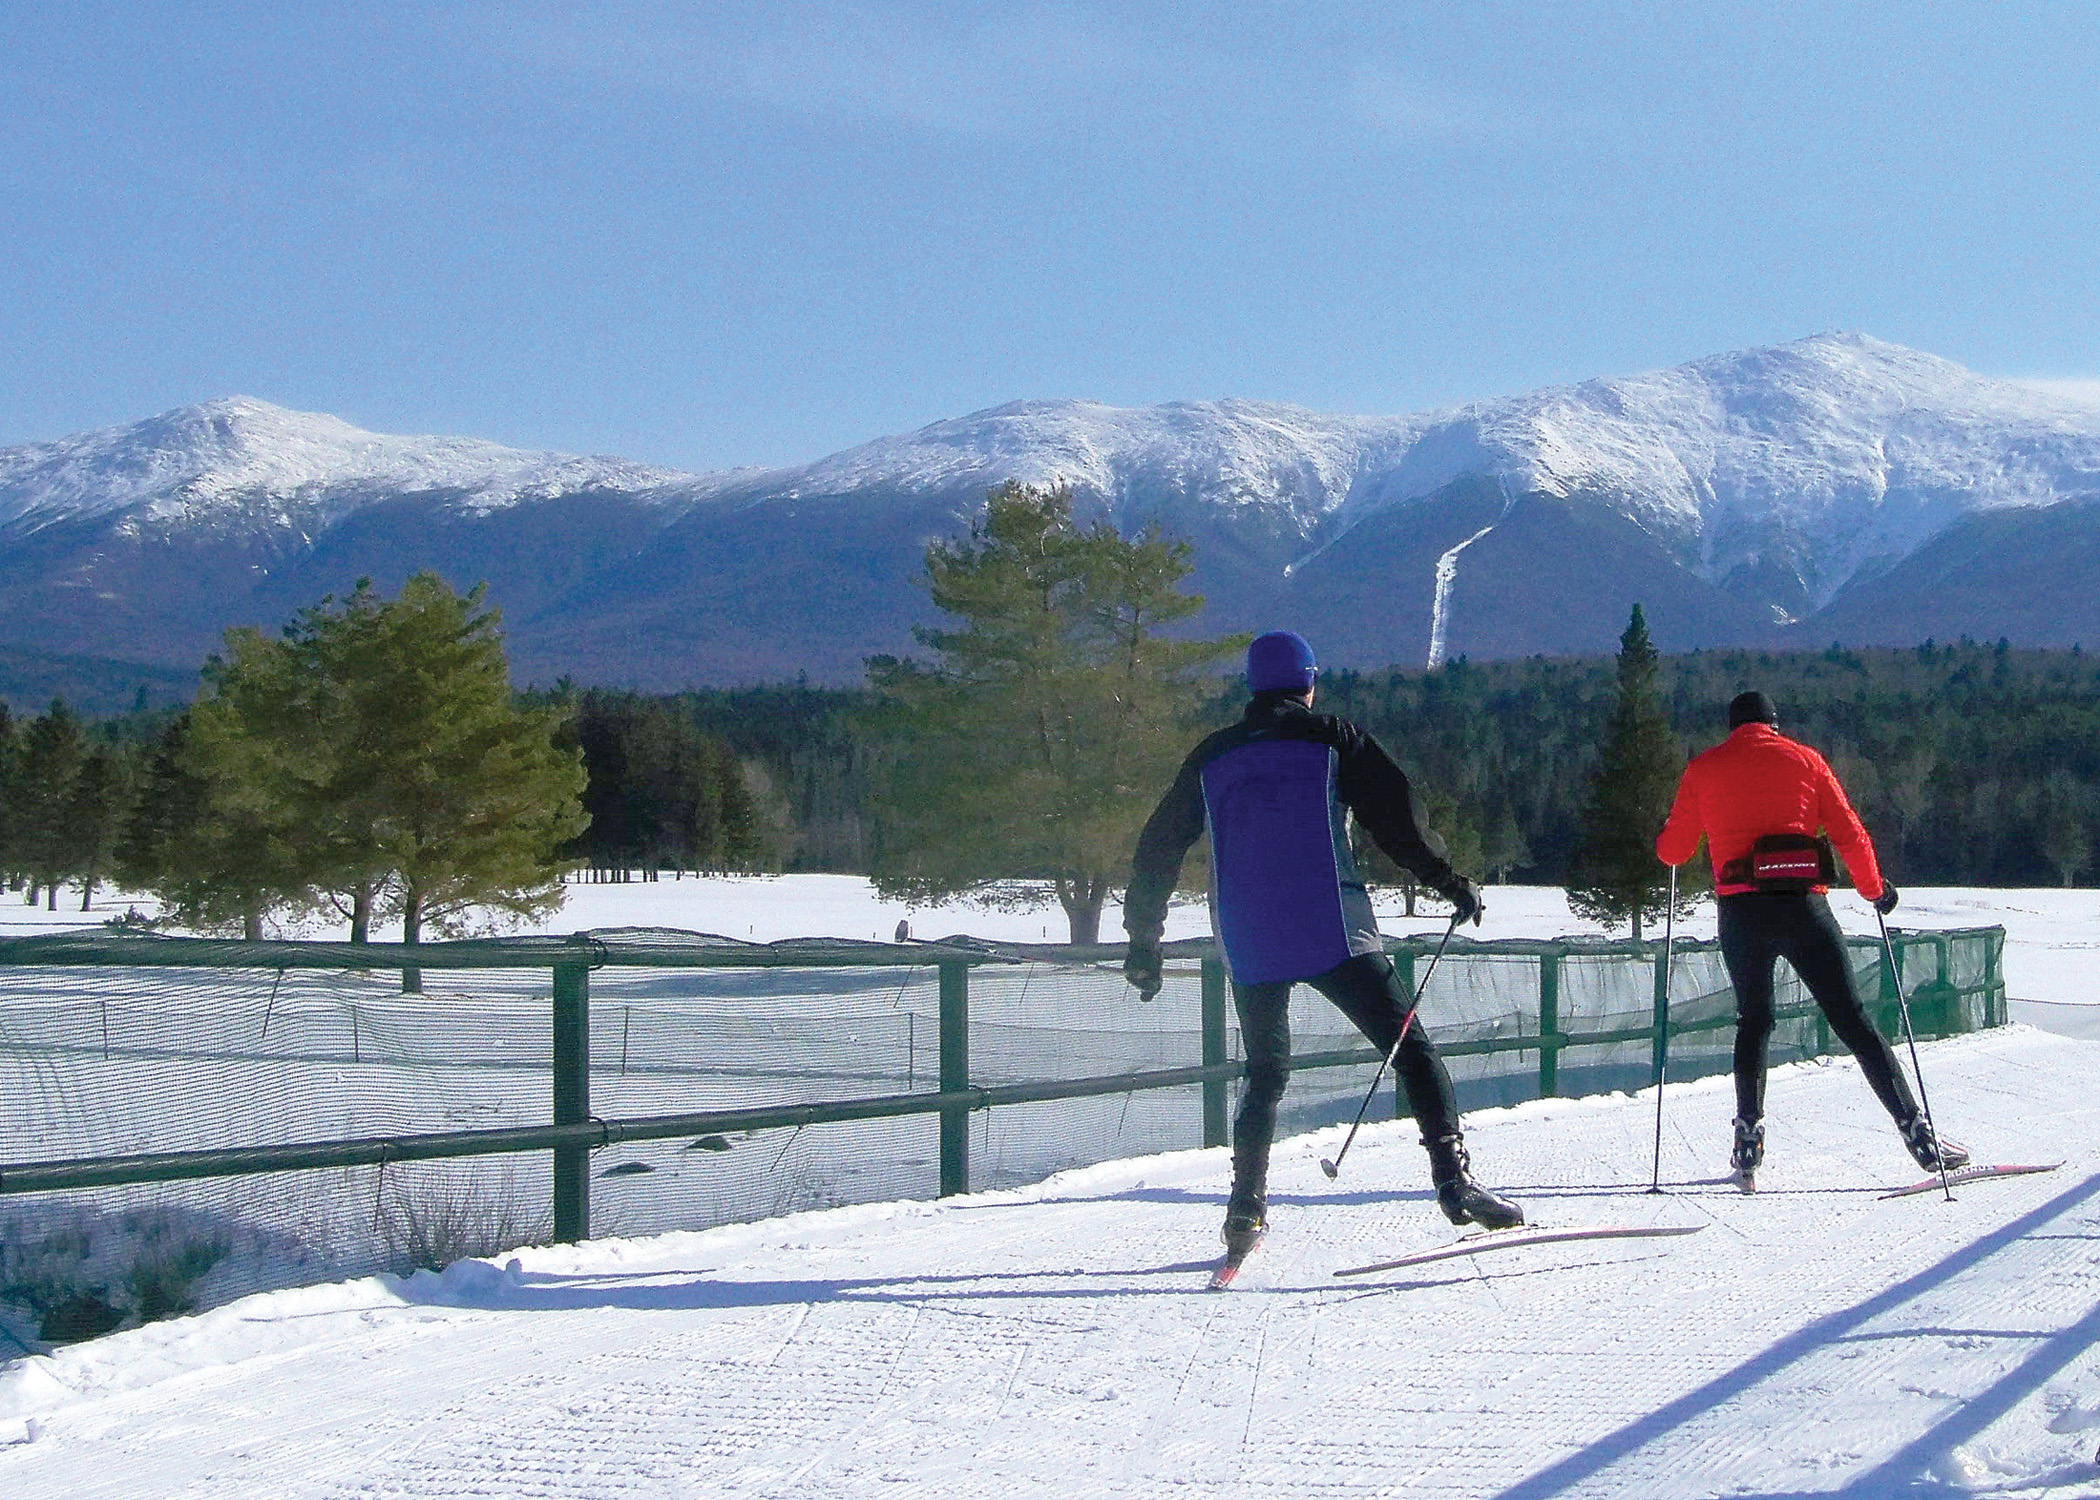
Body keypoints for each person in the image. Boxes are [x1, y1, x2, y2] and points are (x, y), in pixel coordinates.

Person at [1122, 629, 1522, 1257]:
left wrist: (1143, 936)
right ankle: (1454, 1181)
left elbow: (1159, 846)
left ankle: (1245, 1210)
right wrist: (1448, 880)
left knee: (1264, 1076)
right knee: (1409, 1049)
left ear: (1252, 687)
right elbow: (1397, 818)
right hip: (1331, 926)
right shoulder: (1335, 737)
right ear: (1309, 682)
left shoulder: (1211, 754)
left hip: (1248, 935)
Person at [1655, 690, 1967, 1179]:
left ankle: (1748, 1140)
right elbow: (1848, 830)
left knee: (1754, 1021)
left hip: (1740, 913)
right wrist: (1873, 888)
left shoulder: (1703, 769)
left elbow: (1673, 852)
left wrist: (1666, 835)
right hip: (1804, 908)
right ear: (1773, 725)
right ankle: (1917, 1133)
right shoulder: (1807, 761)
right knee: (1854, 1021)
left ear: (1732, 726)